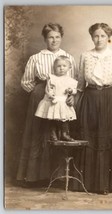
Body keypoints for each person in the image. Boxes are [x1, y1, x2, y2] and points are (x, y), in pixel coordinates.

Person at [16, 23, 77, 187]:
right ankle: (33, 177)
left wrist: (70, 96)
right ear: (45, 38)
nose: (54, 40)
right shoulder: (36, 58)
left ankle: (57, 177)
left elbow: (72, 81)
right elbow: (26, 82)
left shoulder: (68, 57)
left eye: (57, 37)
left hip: (61, 98)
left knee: (57, 132)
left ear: (61, 38)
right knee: (38, 132)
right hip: (42, 97)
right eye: (51, 37)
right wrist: (39, 92)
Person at [76, 23, 112, 194]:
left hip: (109, 99)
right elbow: (81, 83)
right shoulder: (85, 56)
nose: (99, 39)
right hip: (89, 98)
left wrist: (105, 94)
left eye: (103, 36)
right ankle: (89, 183)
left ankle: (107, 183)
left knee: (107, 137)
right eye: (96, 36)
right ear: (91, 37)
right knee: (90, 136)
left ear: (108, 38)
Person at [35, 55, 78, 141]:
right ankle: (53, 133)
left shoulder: (70, 80)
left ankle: (64, 134)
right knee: (53, 118)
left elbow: (74, 90)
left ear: (69, 68)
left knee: (64, 119)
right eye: (58, 66)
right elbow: (48, 89)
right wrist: (50, 95)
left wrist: (71, 91)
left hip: (63, 102)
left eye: (64, 66)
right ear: (54, 67)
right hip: (53, 101)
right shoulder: (52, 78)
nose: (61, 68)